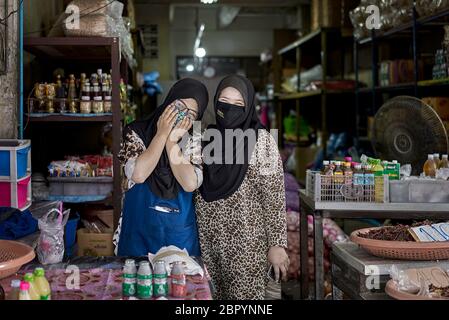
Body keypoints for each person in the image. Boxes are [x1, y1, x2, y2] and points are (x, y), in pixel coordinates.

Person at [196, 75, 289, 300]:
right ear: (216, 102)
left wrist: (277, 244)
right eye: (224, 102)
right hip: (207, 245)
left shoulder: (262, 141)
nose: (230, 109)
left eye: (239, 105)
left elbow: (274, 197)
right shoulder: (207, 138)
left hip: (246, 247)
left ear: (248, 108)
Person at [114, 78, 209, 257]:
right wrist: (162, 134)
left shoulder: (195, 139)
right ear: (169, 101)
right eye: (179, 106)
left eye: (191, 114)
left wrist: (172, 141)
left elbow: (189, 183)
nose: (183, 115)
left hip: (179, 236)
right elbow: (138, 174)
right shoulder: (136, 131)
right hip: (139, 233)